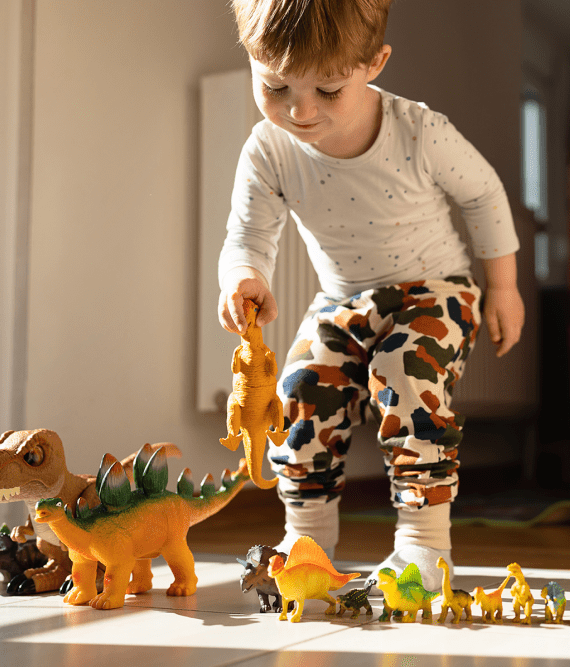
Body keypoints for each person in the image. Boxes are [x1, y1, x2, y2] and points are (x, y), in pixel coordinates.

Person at [218, 0, 524, 592]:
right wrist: (244, 276)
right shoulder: (268, 149)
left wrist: (504, 287)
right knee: (300, 387)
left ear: (374, 64)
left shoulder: (418, 130)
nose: (299, 109)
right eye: (275, 84)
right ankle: (306, 540)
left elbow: (483, 195)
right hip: (342, 298)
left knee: (403, 374)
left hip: (435, 288)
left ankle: (424, 546)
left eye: (328, 90)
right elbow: (249, 234)